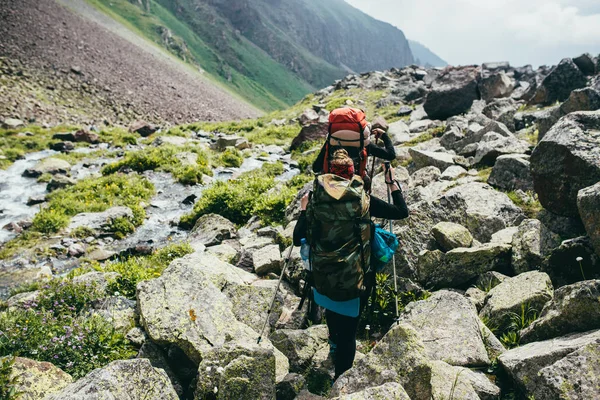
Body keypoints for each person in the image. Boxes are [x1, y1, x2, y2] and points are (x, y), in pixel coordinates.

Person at [293, 149, 408, 380]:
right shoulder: (362, 200)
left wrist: (304, 210)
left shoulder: (316, 201)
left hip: (323, 279)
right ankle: (341, 381)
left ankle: (334, 348)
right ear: (352, 173)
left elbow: (297, 239)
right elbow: (401, 212)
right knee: (349, 332)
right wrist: (391, 182)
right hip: (356, 280)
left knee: (334, 319)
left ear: (329, 175)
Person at [312, 116, 396, 189]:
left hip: (331, 189)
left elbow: (316, 167)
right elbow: (390, 155)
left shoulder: (331, 143)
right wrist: (384, 136)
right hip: (356, 190)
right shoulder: (364, 144)